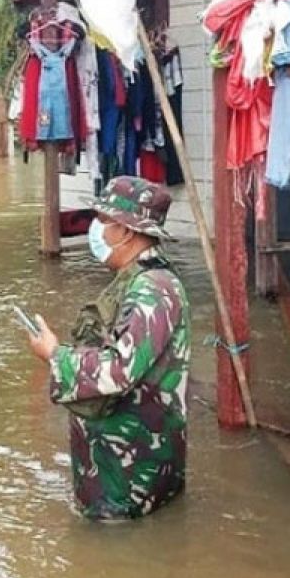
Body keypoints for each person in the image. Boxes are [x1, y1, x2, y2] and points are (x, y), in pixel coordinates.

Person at [26, 176, 191, 520]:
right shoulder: (137, 279)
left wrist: (55, 355)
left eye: (102, 222)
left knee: (119, 558)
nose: (95, 229)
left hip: (130, 476)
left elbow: (119, 370)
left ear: (127, 231)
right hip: (120, 462)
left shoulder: (152, 290)